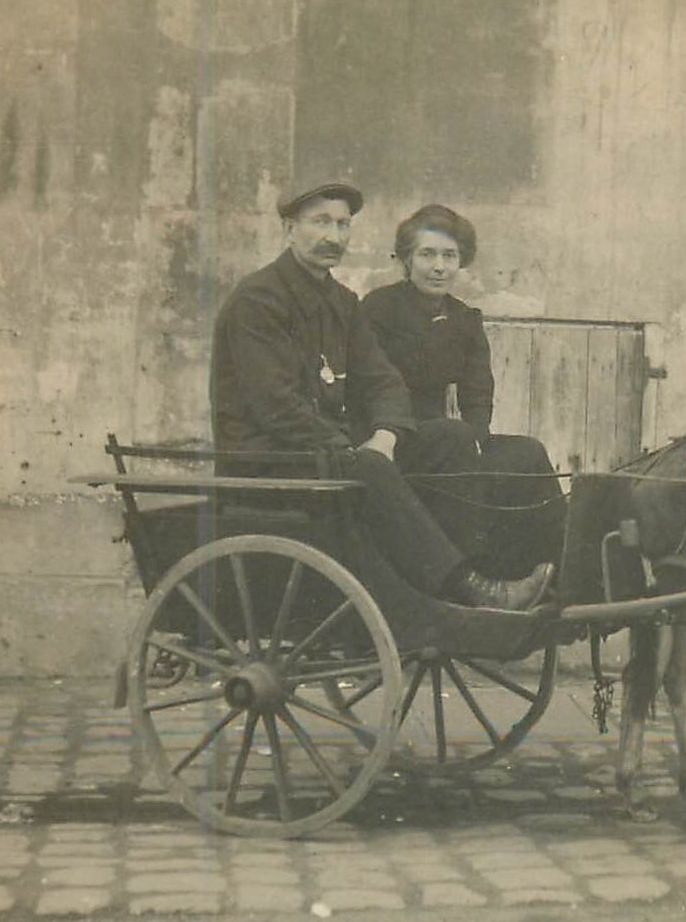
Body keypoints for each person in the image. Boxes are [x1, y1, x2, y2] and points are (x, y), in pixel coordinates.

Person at [209, 180, 553, 610]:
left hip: (328, 454)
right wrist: (354, 449)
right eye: (319, 223)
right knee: (370, 467)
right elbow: (275, 405)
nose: (333, 237)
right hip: (273, 460)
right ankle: (466, 586)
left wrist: (387, 434)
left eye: (342, 224)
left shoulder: (341, 302)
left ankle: (474, 579)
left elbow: (383, 380)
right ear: (289, 228)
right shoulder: (259, 300)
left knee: (450, 437)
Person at [360, 205, 565, 579]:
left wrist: (479, 439)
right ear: (407, 259)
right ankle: (473, 572)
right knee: (452, 436)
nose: (439, 266)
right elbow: (372, 381)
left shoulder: (465, 319)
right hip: (394, 438)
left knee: (526, 452)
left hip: (448, 442)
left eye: (449, 256)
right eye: (427, 254)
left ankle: (549, 568)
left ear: (461, 262)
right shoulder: (379, 309)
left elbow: (478, 392)